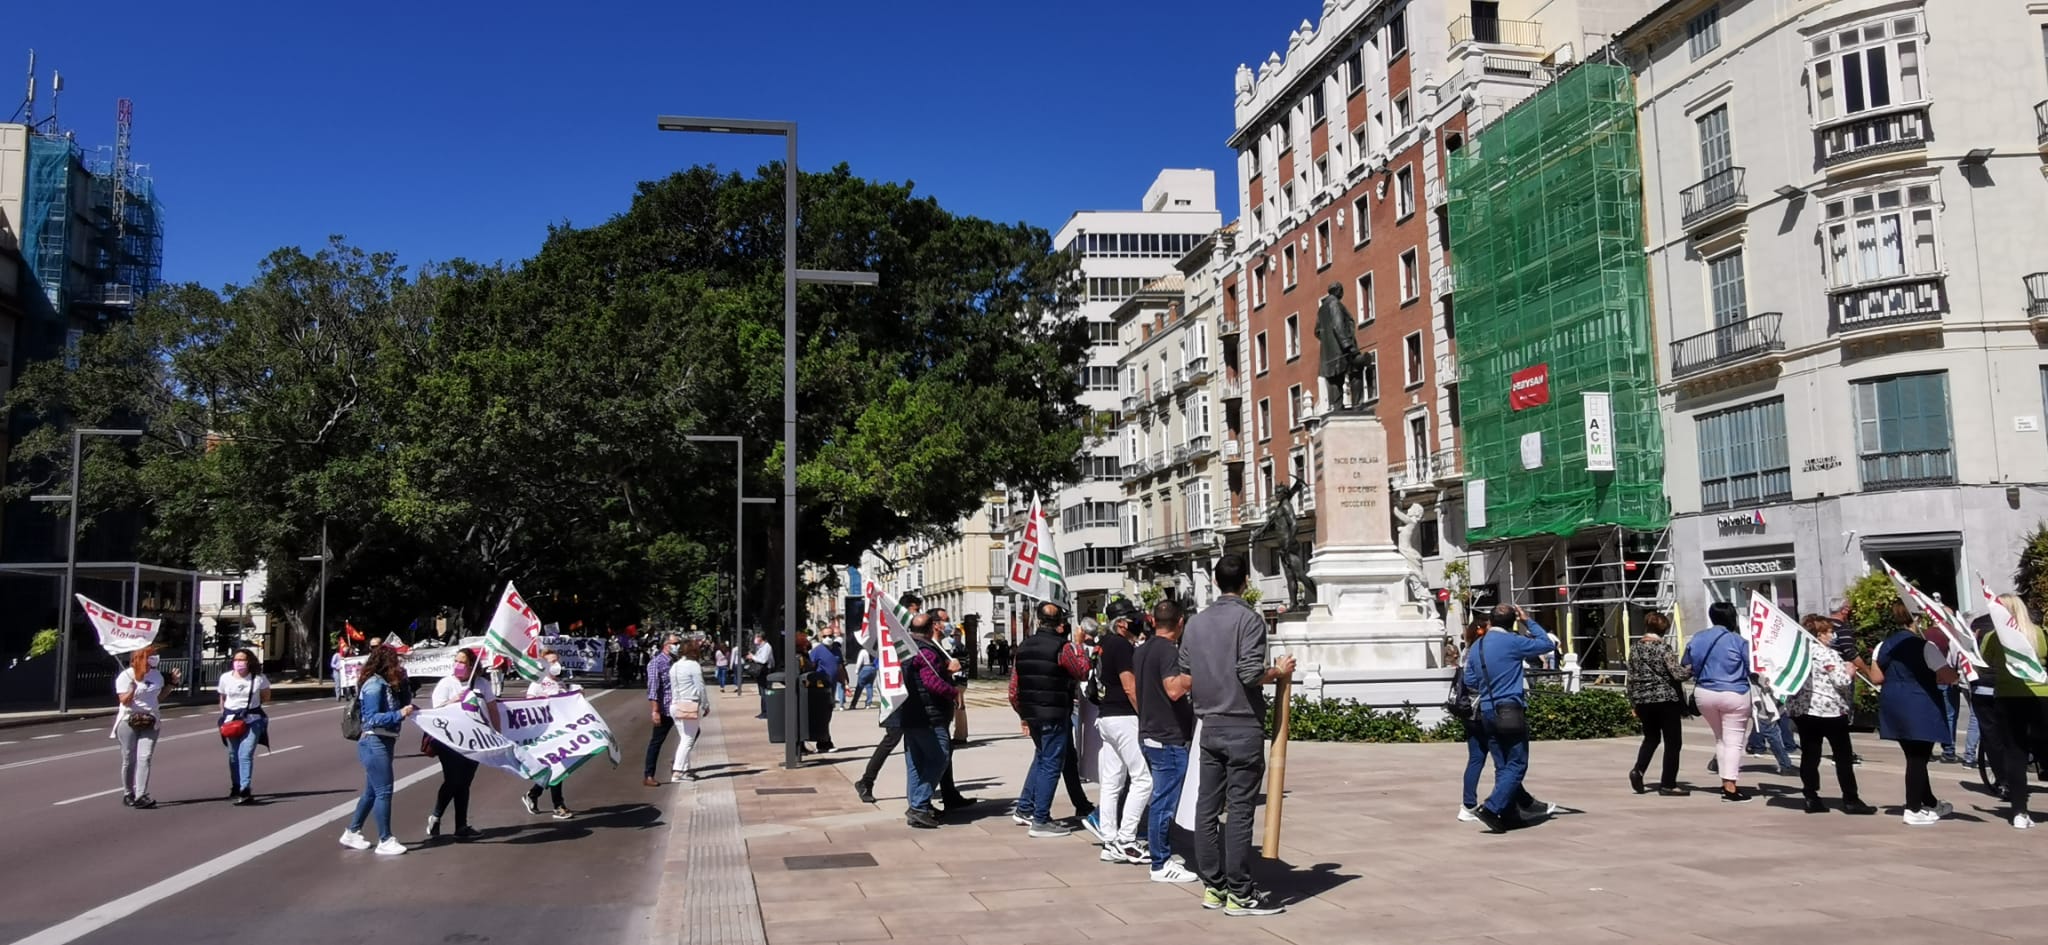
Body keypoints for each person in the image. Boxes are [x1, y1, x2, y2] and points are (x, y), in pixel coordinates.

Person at [1181, 553, 1295, 916]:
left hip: (1209, 725)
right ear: (1246, 581)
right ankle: (1240, 892)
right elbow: (1249, 674)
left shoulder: (1195, 623)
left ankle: (1213, 886)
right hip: (1241, 724)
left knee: (1207, 808)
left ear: (1215, 582)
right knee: (1241, 810)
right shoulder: (1249, 620)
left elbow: (1186, 669)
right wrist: (1277, 671)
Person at [1462, 604, 1560, 834]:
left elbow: (1470, 680)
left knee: (1502, 764)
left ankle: (1510, 814)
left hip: (1487, 709)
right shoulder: (1513, 642)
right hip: (1510, 707)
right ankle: (1492, 807)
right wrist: (1528, 620)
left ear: (1491, 621)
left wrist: (1490, 687)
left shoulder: (1478, 646)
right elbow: (1547, 644)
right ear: (1512, 621)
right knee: (1517, 763)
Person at [1872, 600, 1960, 825]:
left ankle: (1929, 802)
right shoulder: (1925, 646)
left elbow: (1876, 678)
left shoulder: (1883, 645)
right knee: (1918, 758)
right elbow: (1948, 676)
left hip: (1893, 702)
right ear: (1917, 618)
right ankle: (1912, 808)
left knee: (1914, 757)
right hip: (1920, 703)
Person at [1010, 601, 1091, 838]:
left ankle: (1026, 808)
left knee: (1045, 757)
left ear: (1037, 620)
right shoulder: (1063, 647)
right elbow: (1082, 671)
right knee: (1050, 764)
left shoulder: (1023, 647)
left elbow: (1013, 689)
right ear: (1060, 624)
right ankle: (1041, 819)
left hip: (1033, 713)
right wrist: (1079, 644)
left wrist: (1023, 714)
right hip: (1055, 713)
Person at [1135, 599, 1198, 883]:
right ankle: (1160, 863)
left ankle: (1160, 854)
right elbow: (1173, 690)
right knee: (1164, 800)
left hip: (1150, 732)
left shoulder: (1142, 649)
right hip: (1167, 736)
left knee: (1160, 797)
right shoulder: (1168, 651)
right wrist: (1194, 677)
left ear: (1152, 620)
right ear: (1180, 622)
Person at [1790, 614, 1876, 815]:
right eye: (1828, 631)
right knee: (1843, 755)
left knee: (1810, 755)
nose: (1832, 635)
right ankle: (1850, 798)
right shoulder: (1826, 654)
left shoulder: (1800, 654)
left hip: (1805, 711)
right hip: (1829, 711)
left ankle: (1811, 796)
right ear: (1819, 635)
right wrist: (1849, 671)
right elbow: (1841, 681)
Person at [1092, 597, 1153, 866]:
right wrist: (1147, 715)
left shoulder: (1103, 644)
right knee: (1143, 779)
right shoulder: (1121, 645)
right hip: (1124, 717)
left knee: (1112, 781)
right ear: (1123, 623)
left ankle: (1109, 840)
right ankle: (1127, 840)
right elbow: (1129, 686)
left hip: (1106, 716)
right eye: (1133, 619)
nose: (1138, 622)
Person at [340, 647, 417, 855]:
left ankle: (352, 831)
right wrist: (400, 714)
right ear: (386, 663)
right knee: (384, 791)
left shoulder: (387, 684)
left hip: (386, 740)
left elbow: (404, 703)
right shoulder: (374, 685)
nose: (398, 667)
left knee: (372, 791)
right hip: (374, 741)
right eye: (395, 663)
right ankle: (385, 839)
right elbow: (372, 718)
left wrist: (405, 683)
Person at [1982, 594, 2048, 829]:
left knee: (2015, 754)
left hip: (2007, 698)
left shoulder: (1993, 637)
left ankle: (2019, 811)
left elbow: (1986, 660)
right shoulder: (2037, 632)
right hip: (2039, 695)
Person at [1683, 602, 1755, 803]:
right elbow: (1752, 668)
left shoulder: (1697, 638)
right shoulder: (1738, 641)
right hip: (1735, 693)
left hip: (1705, 693)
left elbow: (1686, 664)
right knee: (1733, 741)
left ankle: (1726, 782)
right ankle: (1730, 786)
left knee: (1720, 738)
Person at [898, 612, 959, 829]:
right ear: (931, 627)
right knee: (939, 758)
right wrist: (953, 689)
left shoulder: (905, 649)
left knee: (916, 762)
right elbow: (932, 682)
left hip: (909, 713)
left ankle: (918, 806)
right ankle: (919, 806)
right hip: (930, 715)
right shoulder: (927, 652)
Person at [428, 648, 493, 840]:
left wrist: (496, 734)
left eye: (462, 662)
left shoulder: (482, 684)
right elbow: (436, 711)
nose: (458, 664)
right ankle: (436, 815)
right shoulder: (446, 683)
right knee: (454, 779)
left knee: (465, 782)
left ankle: (461, 825)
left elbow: (492, 709)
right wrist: (454, 700)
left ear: (472, 665)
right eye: (456, 660)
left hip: (474, 740)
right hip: (449, 741)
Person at [1624, 613, 1690, 797]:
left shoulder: (1635, 648)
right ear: (1664, 629)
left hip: (1643, 700)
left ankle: (1638, 770)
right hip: (1665, 699)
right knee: (1673, 742)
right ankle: (1668, 783)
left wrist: (1633, 702)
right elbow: (1677, 674)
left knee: (1651, 738)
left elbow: (1631, 677)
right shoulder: (1663, 648)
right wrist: (1691, 669)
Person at [523, 647, 578, 818]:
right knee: (557, 767)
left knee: (553, 768)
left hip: (561, 731)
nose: (556, 664)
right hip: (546, 733)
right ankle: (558, 805)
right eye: (552, 661)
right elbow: (529, 705)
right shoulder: (538, 683)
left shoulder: (560, 683)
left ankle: (533, 794)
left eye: (557, 660)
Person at [217, 648, 271, 805]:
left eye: (242, 660)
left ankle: (245, 789)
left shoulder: (258, 678)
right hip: (231, 720)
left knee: (244, 754)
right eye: (236, 660)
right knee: (233, 755)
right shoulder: (226, 678)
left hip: (252, 720)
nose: (238, 663)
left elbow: (266, 696)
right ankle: (236, 786)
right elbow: (222, 697)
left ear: (249, 662)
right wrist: (224, 715)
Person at [115, 646, 165, 809]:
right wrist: (132, 689)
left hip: (151, 720)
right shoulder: (126, 675)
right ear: (140, 658)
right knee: (129, 757)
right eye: (150, 655)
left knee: (145, 757)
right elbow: (124, 700)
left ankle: (141, 794)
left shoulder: (157, 675)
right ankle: (128, 793)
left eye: (154, 655)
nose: (154, 658)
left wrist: (171, 685)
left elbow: (157, 698)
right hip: (129, 720)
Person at [666, 638, 710, 781]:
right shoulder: (693, 666)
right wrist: (705, 704)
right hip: (689, 704)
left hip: (675, 704)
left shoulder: (675, 666)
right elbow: (700, 687)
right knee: (688, 739)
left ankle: (685, 769)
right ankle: (678, 770)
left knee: (684, 737)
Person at [644, 633, 680, 787]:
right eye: (675, 643)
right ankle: (649, 775)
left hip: (678, 707)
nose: (677, 646)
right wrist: (655, 711)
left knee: (692, 734)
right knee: (656, 742)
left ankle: (678, 763)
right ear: (666, 644)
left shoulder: (675, 661)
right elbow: (653, 689)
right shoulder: (656, 663)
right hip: (664, 709)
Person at [808, 633, 843, 751]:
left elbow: (839, 667)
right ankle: (823, 742)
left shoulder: (837, 650)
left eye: (830, 635)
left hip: (831, 687)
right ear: (820, 637)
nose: (828, 638)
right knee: (823, 715)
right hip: (820, 688)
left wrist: (845, 682)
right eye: (825, 635)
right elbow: (811, 667)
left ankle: (824, 741)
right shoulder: (817, 651)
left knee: (827, 714)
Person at [749, 632, 776, 719]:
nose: (755, 639)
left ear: (761, 638)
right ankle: (764, 711)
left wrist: (753, 657)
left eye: (757, 637)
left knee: (765, 691)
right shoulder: (760, 647)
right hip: (761, 672)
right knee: (762, 692)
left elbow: (763, 660)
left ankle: (767, 712)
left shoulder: (767, 647)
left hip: (766, 672)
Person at [848, 644, 877, 709]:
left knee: (859, 687)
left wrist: (857, 670)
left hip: (865, 668)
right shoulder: (873, 651)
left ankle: (853, 704)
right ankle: (868, 704)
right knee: (869, 686)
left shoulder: (863, 651)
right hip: (872, 668)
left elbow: (859, 661)